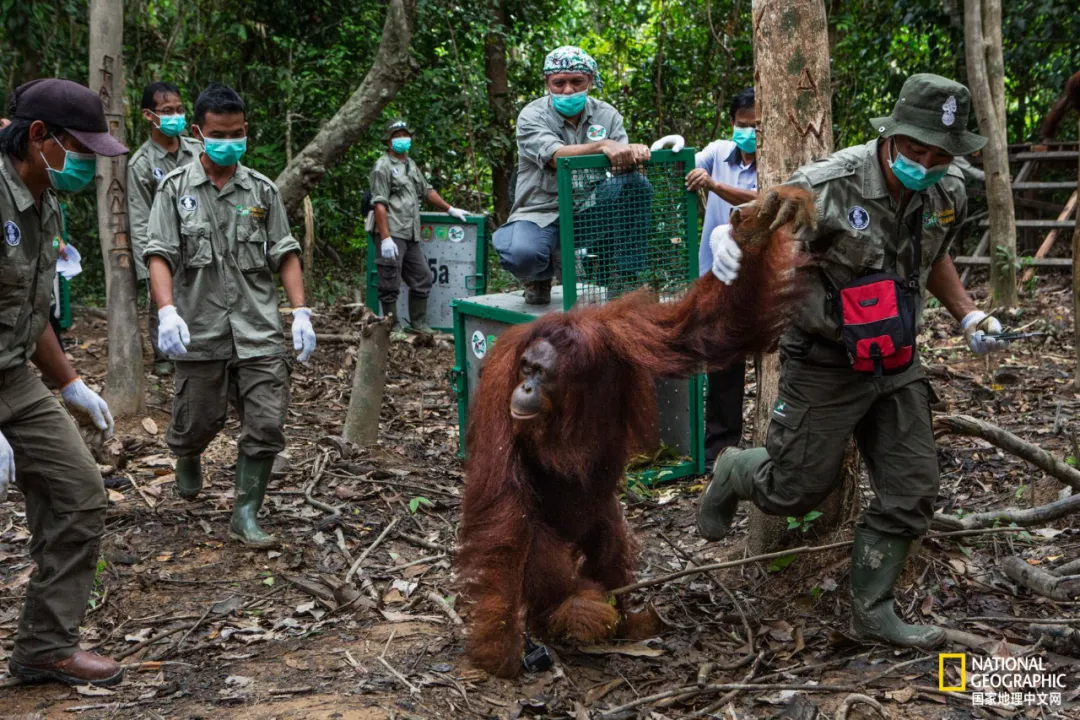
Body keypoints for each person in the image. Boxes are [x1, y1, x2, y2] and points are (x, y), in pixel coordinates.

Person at [697, 74, 1009, 650]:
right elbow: (766, 215)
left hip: (896, 357)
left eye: (939, 154)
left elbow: (933, 256)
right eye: (914, 149)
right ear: (890, 135)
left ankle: (873, 609)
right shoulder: (832, 183)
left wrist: (968, 315)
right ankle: (735, 468)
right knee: (794, 491)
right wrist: (733, 240)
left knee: (912, 490)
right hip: (824, 357)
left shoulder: (952, 189)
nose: (924, 161)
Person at [144, 82, 316, 548]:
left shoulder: (261, 190)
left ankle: (245, 515)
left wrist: (300, 312)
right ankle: (187, 451)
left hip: (258, 328)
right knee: (198, 419)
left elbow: (284, 251)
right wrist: (166, 313)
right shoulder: (175, 190)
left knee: (266, 423)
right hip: (199, 329)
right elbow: (159, 252)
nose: (230, 142)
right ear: (199, 132)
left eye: (238, 133)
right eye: (220, 134)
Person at [0, 78, 126, 685]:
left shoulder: (46, 195)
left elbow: (30, 307)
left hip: (14, 375)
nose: (87, 165)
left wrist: (71, 383)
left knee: (79, 494)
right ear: (40, 136)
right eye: (81, 149)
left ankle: (45, 645)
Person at [493, 46, 653, 304]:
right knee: (521, 253)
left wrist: (632, 154)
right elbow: (556, 157)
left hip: (588, 213)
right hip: (540, 214)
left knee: (636, 184)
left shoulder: (607, 115)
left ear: (590, 81)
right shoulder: (532, 115)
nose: (568, 90)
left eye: (577, 81)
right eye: (559, 83)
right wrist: (602, 146)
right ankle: (539, 276)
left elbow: (619, 169)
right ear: (547, 83)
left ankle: (625, 276)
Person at [684, 87, 761, 464]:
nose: (749, 133)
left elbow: (762, 202)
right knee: (722, 360)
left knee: (770, 355)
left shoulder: (777, 156)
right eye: (743, 125)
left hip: (760, 276)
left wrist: (713, 185)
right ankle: (720, 448)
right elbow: (682, 164)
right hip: (714, 273)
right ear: (732, 124)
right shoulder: (718, 153)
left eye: (757, 126)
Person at [128, 81, 201, 375]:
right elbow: (140, 219)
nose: (176, 116)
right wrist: (147, 270)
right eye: (167, 111)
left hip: (200, 242)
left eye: (180, 110)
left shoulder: (199, 151)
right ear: (149, 115)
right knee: (164, 303)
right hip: (165, 247)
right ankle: (164, 360)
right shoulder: (141, 164)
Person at [371, 119, 467, 337]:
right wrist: (385, 238)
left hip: (410, 231)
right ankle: (392, 327)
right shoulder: (382, 167)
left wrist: (450, 209)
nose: (402, 139)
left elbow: (427, 190)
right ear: (388, 141)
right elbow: (379, 203)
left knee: (422, 276)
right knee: (389, 280)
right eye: (397, 135)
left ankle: (418, 324)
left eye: (405, 134)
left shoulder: (410, 164)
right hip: (392, 231)